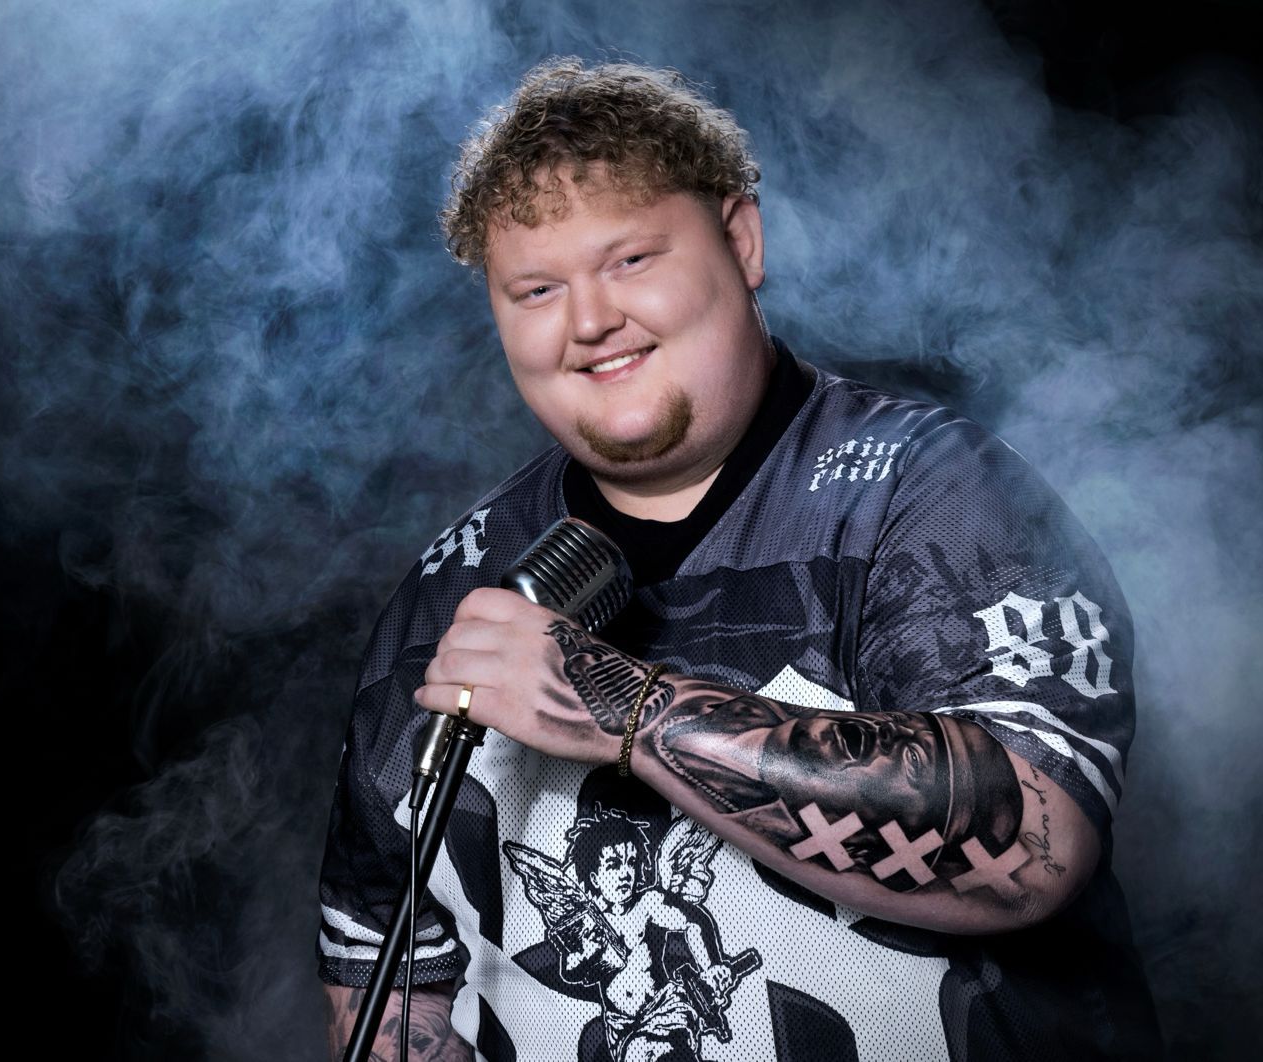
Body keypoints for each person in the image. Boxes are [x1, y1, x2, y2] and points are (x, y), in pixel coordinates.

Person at [317, 57, 1162, 1061]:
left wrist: (622, 709)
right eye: (537, 289)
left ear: (741, 241)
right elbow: (390, 975)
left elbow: (1033, 840)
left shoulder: (932, 495)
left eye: (631, 259)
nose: (589, 322)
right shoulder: (448, 593)